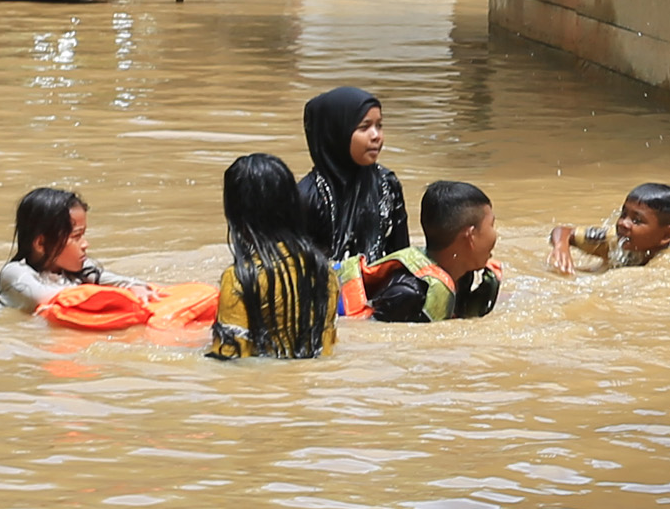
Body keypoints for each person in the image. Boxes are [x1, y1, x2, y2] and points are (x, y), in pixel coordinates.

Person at [208, 152, 339, 360]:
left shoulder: (240, 279)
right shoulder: (325, 273)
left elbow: (229, 358)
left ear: (238, 218)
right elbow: (326, 347)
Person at [360, 179, 504, 324]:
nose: (495, 234)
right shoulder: (408, 294)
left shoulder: (462, 276)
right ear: (471, 236)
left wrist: (484, 295)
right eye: (491, 225)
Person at [298, 86, 411, 267]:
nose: (376, 136)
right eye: (364, 127)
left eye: (379, 126)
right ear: (336, 133)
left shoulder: (387, 184)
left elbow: (401, 256)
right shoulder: (308, 197)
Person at [0, 185, 143, 313]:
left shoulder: (81, 269)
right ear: (41, 244)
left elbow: (124, 282)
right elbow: (45, 298)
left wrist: (136, 288)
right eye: (76, 236)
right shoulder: (14, 273)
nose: (85, 244)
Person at [547, 182, 670, 272]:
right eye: (623, 214)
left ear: (666, 236)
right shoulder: (613, 240)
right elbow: (563, 231)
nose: (623, 223)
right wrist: (561, 247)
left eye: (636, 220)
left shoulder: (669, 262)